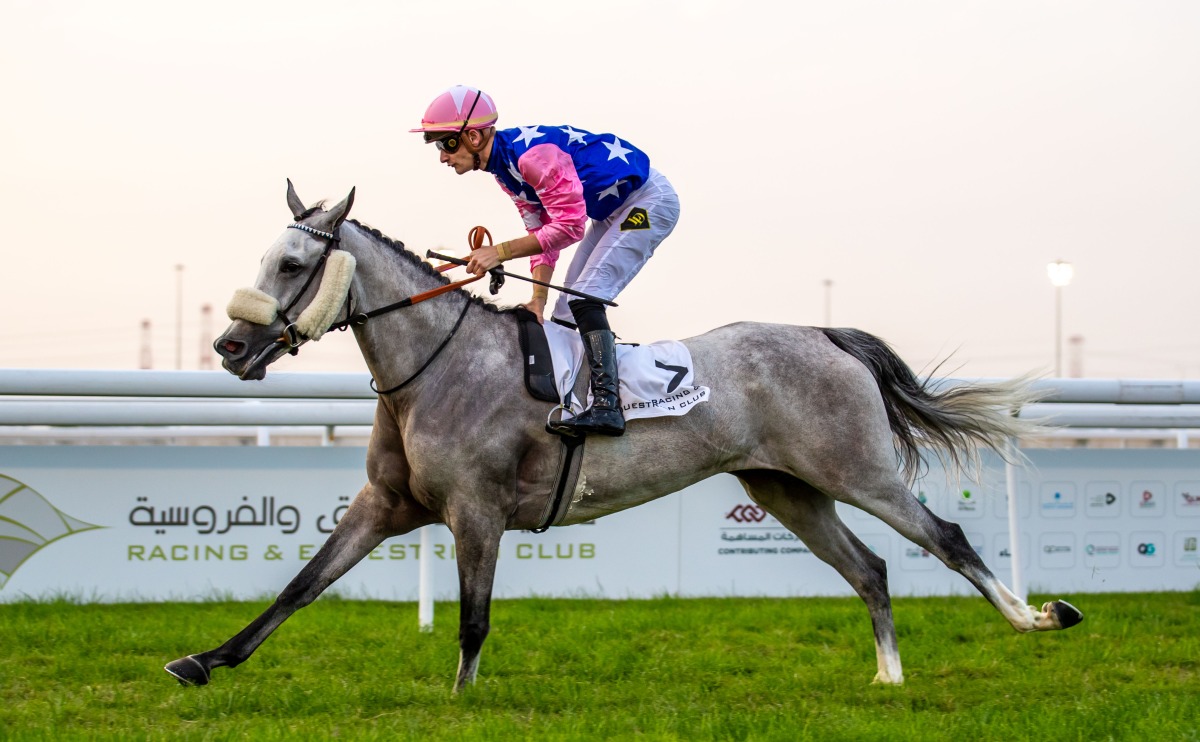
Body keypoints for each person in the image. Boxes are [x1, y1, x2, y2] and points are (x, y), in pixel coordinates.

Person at [411, 85, 680, 437]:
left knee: (586, 297)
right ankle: (578, 401)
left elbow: (569, 227)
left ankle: (608, 407)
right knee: (565, 314)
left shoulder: (531, 159)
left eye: (445, 145)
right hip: (610, 212)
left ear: (473, 136)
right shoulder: (505, 171)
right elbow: (542, 233)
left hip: (647, 203)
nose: (443, 158)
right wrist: (538, 298)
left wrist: (499, 252)